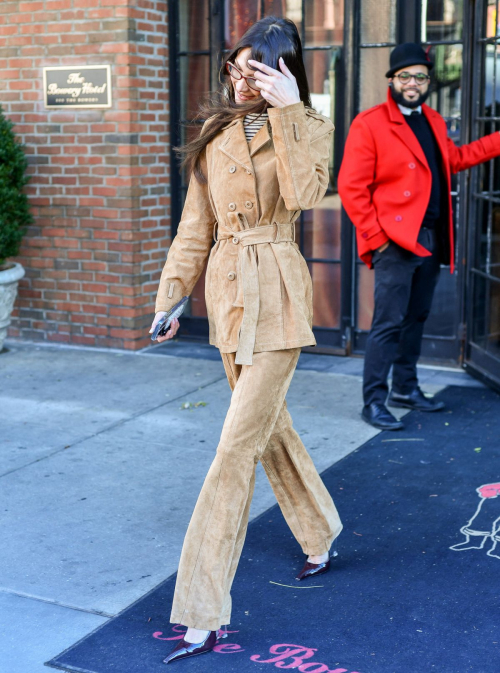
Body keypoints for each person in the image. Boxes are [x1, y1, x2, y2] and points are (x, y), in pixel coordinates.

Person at [150, 17, 342, 665]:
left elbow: (306, 194)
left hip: (280, 297)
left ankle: (201, 610)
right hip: (229, 298)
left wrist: (291, 116)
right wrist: (171, 294)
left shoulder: (309, 126)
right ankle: (320, 532)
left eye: (253, 70)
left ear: (282, 72)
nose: (238, 80)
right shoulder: (214, 138)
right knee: (270, 429)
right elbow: (192, 230)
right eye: (234, 69)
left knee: (232, 451)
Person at [338, 43, 500, 431]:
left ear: (428, 81)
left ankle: (405, 389)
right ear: (392, 80)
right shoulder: (370, 122)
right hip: (393, 241)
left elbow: (455, 160)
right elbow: (351, 187)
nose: (413, 83)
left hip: (429, 237)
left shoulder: (433, 120)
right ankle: (373, 400)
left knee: (416, 318)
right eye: (405, 76)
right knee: (388, 323)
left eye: (421, 76)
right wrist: (377, 239)